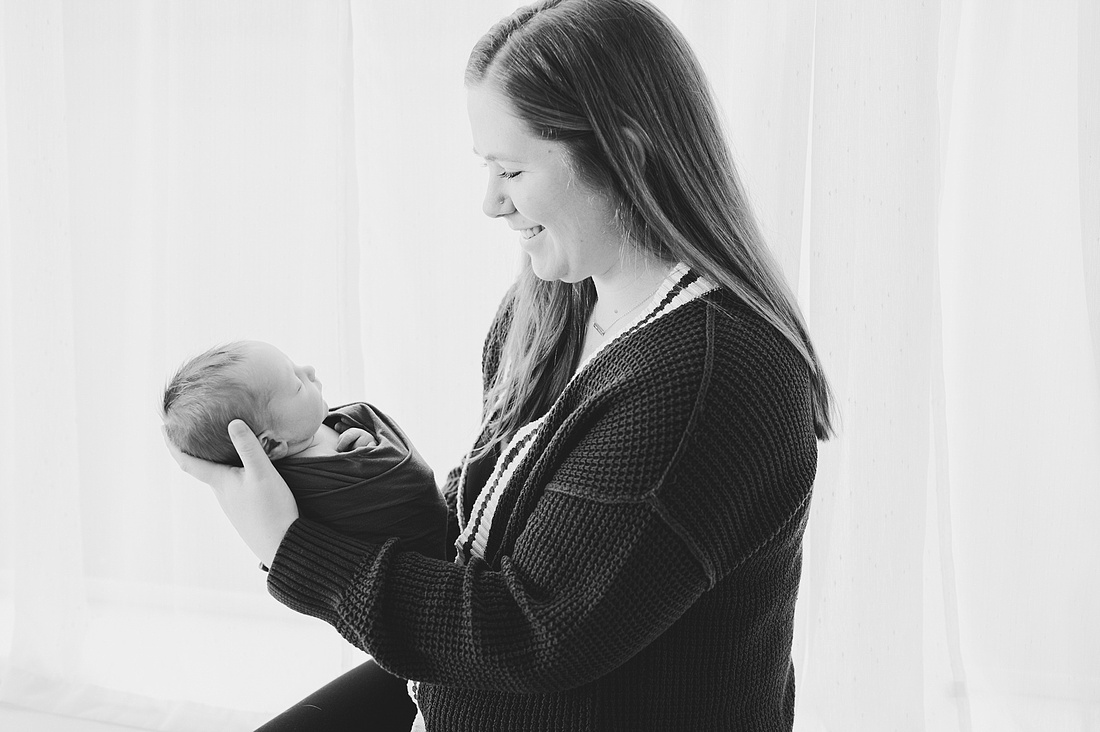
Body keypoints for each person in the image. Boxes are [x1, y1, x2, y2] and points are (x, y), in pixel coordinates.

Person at [165, 0, 835, 729]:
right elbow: (489, 529)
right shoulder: (547, 314)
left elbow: (532, 635)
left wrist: (295, 549)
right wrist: (345, 480)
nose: (489, 202)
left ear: (625, 153)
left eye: (511, 169)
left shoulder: (712, 380)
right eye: (486, 166)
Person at [162, 340, 447, 557]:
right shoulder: (299, 485)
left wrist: (364, 442)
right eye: (297, 384)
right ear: (272, 444)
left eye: (296, 367)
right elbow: (400, 482)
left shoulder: (307, 430)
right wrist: (372, 457)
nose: (309, 371)